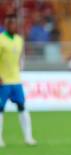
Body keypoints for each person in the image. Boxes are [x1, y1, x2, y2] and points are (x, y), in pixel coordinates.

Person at [0, 14, 37, 147]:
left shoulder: (19, 40)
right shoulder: (1, 40)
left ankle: (28, 137)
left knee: (22, 106)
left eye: (14, 24)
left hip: (16, 80)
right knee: (0, 109)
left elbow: (20, 57)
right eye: (10, 24)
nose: (13, 26)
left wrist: (20, 67)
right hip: (3, 81)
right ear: (6, 25)